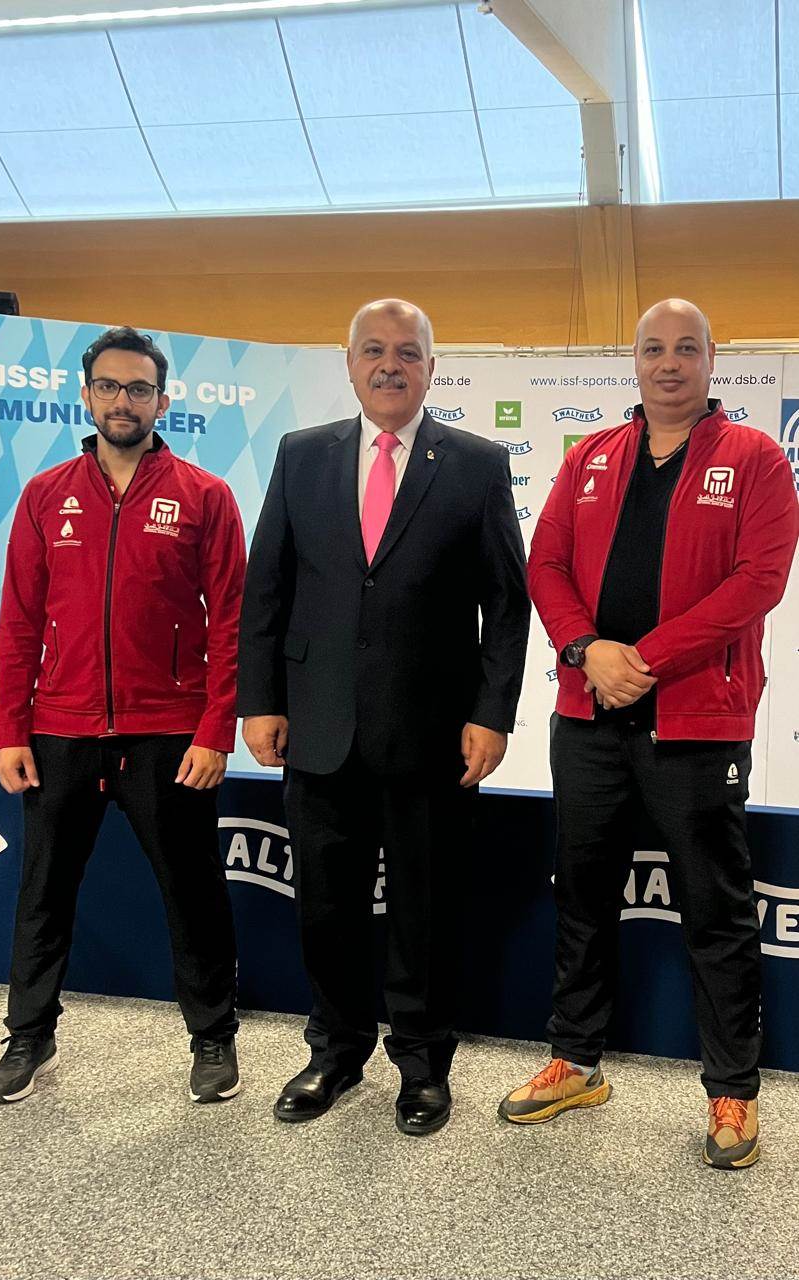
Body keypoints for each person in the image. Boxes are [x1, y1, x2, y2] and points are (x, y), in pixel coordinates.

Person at [499, 298, 799, 1169]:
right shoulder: (589, 456)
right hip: (587, 714)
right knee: (582, 894)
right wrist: (585, 650)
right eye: (653, 348)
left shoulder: (754, 458)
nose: (668, 362)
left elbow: (758, 581)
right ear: (632, 360)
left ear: (711, 359)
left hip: (696, 720)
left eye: (685, 348)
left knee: (714, 908)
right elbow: (545, 563)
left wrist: (646, 659)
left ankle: (732, 1093)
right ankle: (575, 1061)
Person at [238, 298, 529, 1135]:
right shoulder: (301, 455)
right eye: (373, 350)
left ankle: (422, 1062)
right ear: (349, 363)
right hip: (317, 725)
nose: (389, 365)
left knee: (423, 909)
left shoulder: (475, 463)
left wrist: (491, 714)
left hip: (431, 733)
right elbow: (267, 588)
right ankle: (334, 1051)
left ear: (431, 369)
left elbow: (506, 603)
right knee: (325, 906)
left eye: (407, 352)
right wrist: (259, 701)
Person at [0, 326, 246, 1106]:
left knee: (193, 894)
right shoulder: (45, 495)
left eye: (138, 388)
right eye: (108, 386)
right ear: (87, 395)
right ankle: (29, 1035)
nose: (122, 401)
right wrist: (9, 730)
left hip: (168, 732)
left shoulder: (204, 495)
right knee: (42, 893)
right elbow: (20, 620)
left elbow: (231, 624)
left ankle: (212, 1038)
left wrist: (214, 730)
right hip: (59, 731)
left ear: (162, 402)